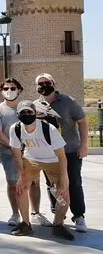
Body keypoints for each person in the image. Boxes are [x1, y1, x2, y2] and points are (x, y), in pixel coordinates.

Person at [9, 101, 75, 241]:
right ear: (18, 115)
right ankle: (25, 224)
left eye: (29, 112)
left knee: (64, 195)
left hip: (53, 160)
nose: (26, 115)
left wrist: (63, 181)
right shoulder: (15, 129)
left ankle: (58, 224)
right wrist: (21, 176)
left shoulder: (48, 129)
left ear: (36, 114)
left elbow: (62, 156)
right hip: (31, 159)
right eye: (23, 113)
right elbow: (16, 155)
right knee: (20, 188)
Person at [0, 78, 52, 228]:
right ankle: (15, 213)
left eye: (12, 88)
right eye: (6, 88)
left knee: (34, 182)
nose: (9, 91)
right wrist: (14, 146)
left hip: (30, 152)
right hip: (8, 153)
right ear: (1, 91)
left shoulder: (27, 106)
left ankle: (35, 213)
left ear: (20, 90)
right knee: (13, 183)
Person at [35, 74, 88, 233]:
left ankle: (79, 216)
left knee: (74, 183)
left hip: (70, 151)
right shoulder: (36, 105)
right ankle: (58, 214)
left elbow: (83, 122)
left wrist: (83, 145)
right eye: (40, 83)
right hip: (48, 154)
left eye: (47, 83)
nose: (44, 86)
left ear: (53, 83)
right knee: (52, 185)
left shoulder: (68, 101)